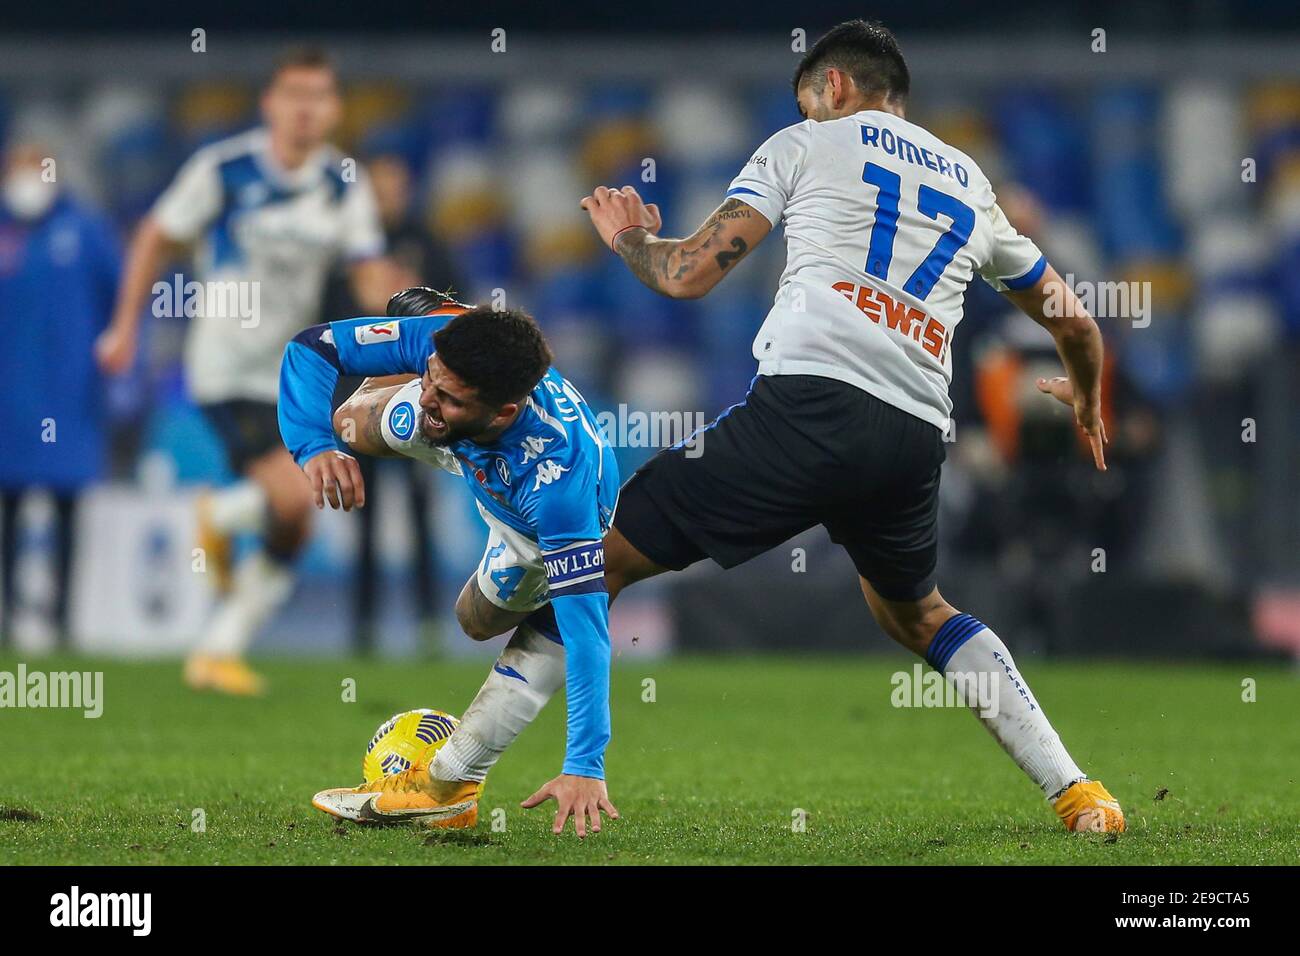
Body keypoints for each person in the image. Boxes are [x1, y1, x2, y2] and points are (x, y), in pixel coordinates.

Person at [96, 47, 398, 694]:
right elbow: (155, 234)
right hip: (226, 363)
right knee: (294, 492)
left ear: (334, 108)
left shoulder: (345, 184)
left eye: (319, 96)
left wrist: (407, 316)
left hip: (294, 371)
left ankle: (217, 649)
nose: (305, 108)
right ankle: (216, 515)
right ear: (271, 103)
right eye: (294, 94)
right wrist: (126, 327)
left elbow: (369, 273)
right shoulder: (224, 169)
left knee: (298, 517)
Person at [278, 289, 620, 832]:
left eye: (449, 394)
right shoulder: (445, 348)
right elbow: (311, 347)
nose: (429, 397)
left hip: (521, 522)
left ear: (505, 409)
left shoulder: (559, 491)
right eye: (429, 379)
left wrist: (584, 764)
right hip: (459, 442)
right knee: (347, 422)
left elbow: (590, 636)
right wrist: (314, 445)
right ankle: (402, 369)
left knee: (474, 621)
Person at [320, 150, 467, 653]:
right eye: (378, 187)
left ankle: (428, 622)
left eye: (395, 186)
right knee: (365, 513)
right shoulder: (345, 249)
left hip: (421, 403)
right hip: (363, 403)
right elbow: (327, 331)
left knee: (420, 514)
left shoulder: (429, 244)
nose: (387, 197)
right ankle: (364, 626)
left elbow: (457, 319)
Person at [0, 141, 121, 648]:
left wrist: (116, 373)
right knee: (9, 508)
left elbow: (120, 302)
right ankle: (9, 620)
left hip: (70, 398)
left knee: (68, 508)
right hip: (8, 401)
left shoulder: (86, 230)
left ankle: (64, 620)